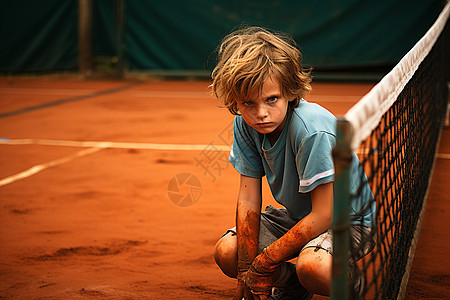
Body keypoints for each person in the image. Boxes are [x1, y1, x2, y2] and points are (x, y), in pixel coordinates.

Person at [211, 26, 376, 299]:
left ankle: (353, 287)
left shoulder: (311, 131)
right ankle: (291, 285)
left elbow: (325, 214)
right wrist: (244, 268)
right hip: (299, 217)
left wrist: (264, 263)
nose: (261, 113)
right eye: (248, 103)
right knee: (229, 252)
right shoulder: (244, 124)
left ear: (289, 90)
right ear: (236, 102)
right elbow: (248, 196)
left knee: (313, 267)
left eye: (271, 99)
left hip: (349, 222)